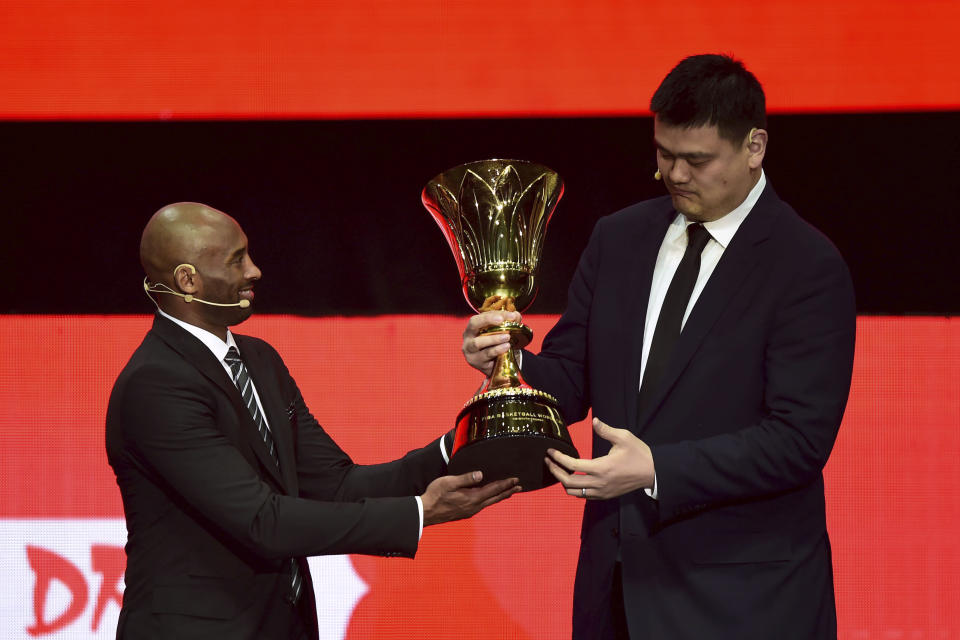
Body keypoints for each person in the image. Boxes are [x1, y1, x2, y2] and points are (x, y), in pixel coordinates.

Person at [462, 54, 856, 639]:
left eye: (696, 160)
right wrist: (507, 361)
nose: (674, 174)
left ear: (755, 146)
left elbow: (799, 440)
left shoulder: (806, 265)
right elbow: (571, 382)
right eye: (663, 154)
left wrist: (657, 469)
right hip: (616, 590)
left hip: (744, 603)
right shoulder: (618, 238)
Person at [106, 202, 520, 640]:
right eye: (236, 260)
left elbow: (338, 485)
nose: (255, 271)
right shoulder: (156, 384)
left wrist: (459, 441)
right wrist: (419, 513)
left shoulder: (260, 361)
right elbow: (263, 522)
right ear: (188, 280)